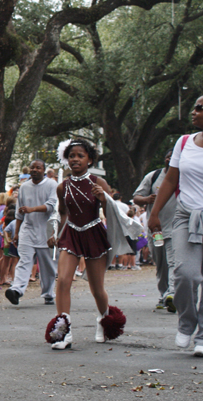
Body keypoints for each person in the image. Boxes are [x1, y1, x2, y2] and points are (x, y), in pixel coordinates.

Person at [49, 139, 124, 350]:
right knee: (63, 281)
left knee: (97, 288)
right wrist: (56, 233)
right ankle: (63, 331)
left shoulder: (98, 182)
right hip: (71, 234)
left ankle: (103, 320)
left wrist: (104, 199)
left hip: (94, 233)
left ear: (89, 159)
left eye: (80, 156)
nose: (75, 159)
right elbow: (62, 212)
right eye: (71, 156)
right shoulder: (62, 187)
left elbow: (113, 213)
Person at [149, 99, 203, 357]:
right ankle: (186, 322)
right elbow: (171, 179)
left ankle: (202, 336)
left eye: (201, 108)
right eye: (195, 106)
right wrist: (155, 213)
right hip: (184, 215)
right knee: (184, 274)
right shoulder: (184, 142)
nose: (195, 111)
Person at [4, 160, 58, 306]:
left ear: (44, 170)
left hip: (46, 230)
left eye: (38, 168)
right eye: (32, 167)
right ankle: (16, 290)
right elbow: (19, 212)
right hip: (27, 229)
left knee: (48, 266)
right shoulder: (24, 186)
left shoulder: (52, 185)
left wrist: (32, 209)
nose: (34, 170)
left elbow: (52, 206)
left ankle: (48, 293)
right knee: (24, 261)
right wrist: (16, 233)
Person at [134, 149, 176, 312]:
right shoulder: (153, 176)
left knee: (173, 262)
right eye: (168, 157)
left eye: (174, 157)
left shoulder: (184, 177)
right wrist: (147, 199)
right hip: (156, 229)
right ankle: (163, 293)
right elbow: (136, 197)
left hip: (176, 228)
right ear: (164, 159)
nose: (171, 160)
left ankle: (172, 294)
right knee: (161, 264)